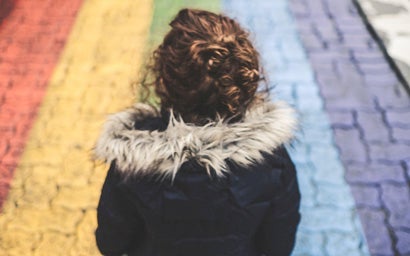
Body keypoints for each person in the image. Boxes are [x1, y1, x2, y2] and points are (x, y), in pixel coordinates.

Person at [94, 8, 301, 256]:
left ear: (164, 80)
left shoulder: (132, 162)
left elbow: (111, 243)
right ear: (244, 79)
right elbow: (278, 245)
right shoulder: (271, 161)